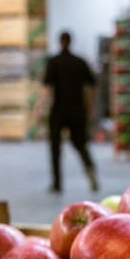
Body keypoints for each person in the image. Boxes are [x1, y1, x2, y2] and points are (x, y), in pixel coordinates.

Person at [40, 31, 99, 193]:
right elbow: (92, 86)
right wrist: (89, 106)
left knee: (55, 149)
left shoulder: (53, 61)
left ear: (60, 42)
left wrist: (39, 110)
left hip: (58, 110)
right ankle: (91, 170)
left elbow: (47, 89)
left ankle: (57, 184)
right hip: (77, 110)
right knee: (80, 144)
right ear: (71, 42)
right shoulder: (80, 61)